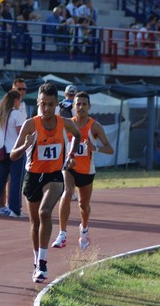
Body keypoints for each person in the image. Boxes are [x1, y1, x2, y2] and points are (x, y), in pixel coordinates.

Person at [10, 83, 81, 283]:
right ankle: (36, 260)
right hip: (33, 175)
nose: (47, 109)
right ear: (38, 103)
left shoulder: (64, 122)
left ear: (56, 104)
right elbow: (14, 155)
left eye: (51, 104)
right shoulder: (30, 125)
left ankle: (42, 262)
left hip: (54, 175)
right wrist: (25, 144)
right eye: (43, 104)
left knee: (44, 212)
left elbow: (77, 134)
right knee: (35, 222)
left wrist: (71, 153)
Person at [52, 91, 114, 250]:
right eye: (78, 104)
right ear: (73, 106)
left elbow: (110, 149)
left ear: (89, 106)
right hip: (69, 167)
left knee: (83, 205)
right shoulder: (67, 124)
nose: (80, 107)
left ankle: (84, 229)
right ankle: (62, 234)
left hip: (86, 171)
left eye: (84, 104)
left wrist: (96, 148)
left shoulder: (95, 126)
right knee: (67, 192)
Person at [0, 89, 25, 217]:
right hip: (16, 151)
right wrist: (25, 145)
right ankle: (15, 210)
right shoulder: (17, 114)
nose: (20, 102)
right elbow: (20, 133)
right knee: (16, 181)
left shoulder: (1, 115)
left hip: (2, 152)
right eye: (19, 100)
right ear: (15, 100)